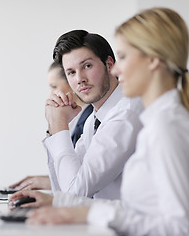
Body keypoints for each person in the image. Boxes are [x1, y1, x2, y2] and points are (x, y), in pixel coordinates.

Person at [10, 8, 189, 236]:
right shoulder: (153, 120)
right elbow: (135, 208)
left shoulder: (165, 127)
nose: (117, 69)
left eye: (123, 57)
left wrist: (84, 211)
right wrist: (67, 206)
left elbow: (181, 228)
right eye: (70, 72)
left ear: (152, 60)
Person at [42, 29, 143, 199]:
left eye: (87, 66)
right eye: (71, 72)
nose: (80, 79)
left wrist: (60, 125)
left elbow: (75, 193)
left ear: (109, 65)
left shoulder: (125, 114)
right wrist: (54, 128)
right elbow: (62, 190)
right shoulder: (93, 120)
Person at [9, 62, 93, 191]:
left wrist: (44, 182)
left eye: (54, 86)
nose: (51, 94)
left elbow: (81, 181)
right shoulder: (76, 119)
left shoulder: (90, 119)